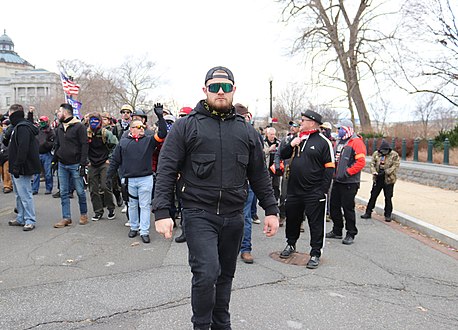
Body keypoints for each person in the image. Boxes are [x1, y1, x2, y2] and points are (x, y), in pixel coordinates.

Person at [153, 66, 279, 330]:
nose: (220, 92)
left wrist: (271, 209)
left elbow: (258, 174)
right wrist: (162, 212)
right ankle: (201, 325)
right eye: (214, 87)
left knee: (225, 275)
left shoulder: (247, 132)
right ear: (205, 91)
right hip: (199, 213)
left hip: (234, 216)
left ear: (234, 90)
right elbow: (166, 169)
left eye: (225, 87)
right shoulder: (185, 127)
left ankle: (222, 323)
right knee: (207, 272)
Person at [278, 110, 335, 269]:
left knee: (316, 223)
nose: (300, 123)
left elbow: (330, 169)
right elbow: (282, 154)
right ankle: (291, 244)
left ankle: (315, 252)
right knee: (293, 219)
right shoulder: (297, 139)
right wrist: (291, 144)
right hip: (294, 190)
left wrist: (322, 191)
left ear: (312, 122)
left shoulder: (324, 142)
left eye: (303, 120)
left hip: (314, 192)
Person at [106, 105, 167, 244]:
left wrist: (160, 117)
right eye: (138, 127)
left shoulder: (149, 140)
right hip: (129, 180)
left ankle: (144, 231)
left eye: (142, 127)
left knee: (145, 206)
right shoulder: (123, 142)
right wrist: (109, 177)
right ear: (131, 128)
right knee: (132, 205)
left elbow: (163, 133)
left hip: (146, 178)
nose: (141, 129)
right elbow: (115, 160)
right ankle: (134, 227)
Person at [326, 119, 367, 245]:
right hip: (337, 180)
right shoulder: (339, 142)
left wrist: (347, 173)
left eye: (340, 128)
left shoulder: (356, 142)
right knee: (334, 206)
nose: (338, 131)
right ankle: (337, 230)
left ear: (347, 129)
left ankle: (351, 232)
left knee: (348, 208)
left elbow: (360, 162)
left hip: (349, 181)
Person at [3, 104, 40, 231]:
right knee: (19, 195)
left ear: (14, 114)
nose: (8, 116)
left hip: (22, 167)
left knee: (25, 195)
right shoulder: (17, 127)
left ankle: (30, 219)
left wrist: (18, 166)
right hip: (16, 166)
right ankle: (21, 217)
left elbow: (23, 149)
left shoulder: (23, 128)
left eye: (10, 113)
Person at [53, 103, 89, 228]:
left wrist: (83, 163)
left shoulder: (79, 127)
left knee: (80, 191)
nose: (57, 114)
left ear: (66, 112)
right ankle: (66, 217)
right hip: (62, 164)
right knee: (63, 192)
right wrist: (54, 160)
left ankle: (83, 214)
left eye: (59, 111)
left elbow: (85, 145)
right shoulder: (59, 127)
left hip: (75, 164)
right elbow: (57, 145)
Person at [86, 112, 119, 221]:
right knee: (93, 189)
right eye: (91, 121)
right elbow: (82, 148)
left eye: (96, 120)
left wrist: (109, 159)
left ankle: (111, 208)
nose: (93, 123)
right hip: (92, 164)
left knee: (105, 186)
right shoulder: (86, 133)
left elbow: (116, 145)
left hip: (104, 162)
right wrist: (87, 161)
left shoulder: (106, 133)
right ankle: (98, 211)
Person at [361, 140, 400, 222]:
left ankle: (388, 214)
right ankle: (368, 212)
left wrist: (386, 171)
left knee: (388, 197)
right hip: (378, 178)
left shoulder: (394, 155)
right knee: (373, 196)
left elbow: (395, 166)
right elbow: (372, 164)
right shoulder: (376, 154)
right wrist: (374, 171)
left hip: (389, 179)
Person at [274, 120, 300, 227]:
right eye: (291, 125)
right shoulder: (285, 140)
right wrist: (277, 166)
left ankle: (300, 220)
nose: (292, 128)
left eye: (295, 126)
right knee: (284, 195)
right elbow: (278, 154)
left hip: (298, 171)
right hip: (286, 170)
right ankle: (282, 215)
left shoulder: (301, 140)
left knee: (298, 196)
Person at [32, 115, 55, 195]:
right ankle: (34, 189)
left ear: (46, 122)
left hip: (47, 154)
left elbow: (53, 143)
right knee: (36, 173)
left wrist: (45, 144)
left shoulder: (51, 131)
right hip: (37, 153)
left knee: (48, 173)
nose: (41, 123)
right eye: (40, 121)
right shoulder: (37, 130)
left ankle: (49, 188)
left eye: (43, 121)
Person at [0, 117, 13, 193]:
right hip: (1, 154)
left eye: (5, 125)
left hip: (7, 154)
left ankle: (8, 186)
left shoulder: (10, 133)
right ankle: (5, 184)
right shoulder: (1, 133)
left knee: (6, 171)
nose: (4, 127)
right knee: (2, 172)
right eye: (3, 125)